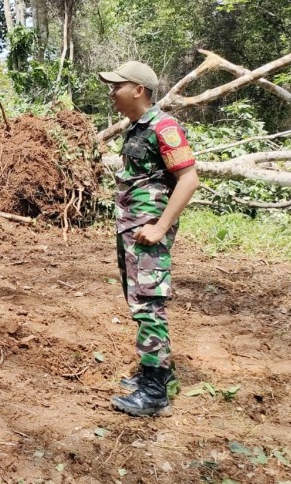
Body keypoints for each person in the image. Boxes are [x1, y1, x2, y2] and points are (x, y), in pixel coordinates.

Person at [99, 61, 199, 417]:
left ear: (138, 90)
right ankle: (155, 370)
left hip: (147, 232)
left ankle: (155, 392)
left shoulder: (164, 126)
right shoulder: (136, 128)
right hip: (131, 229)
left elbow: (188, 178)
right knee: (137, 299)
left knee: (148, 303)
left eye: (117, 86)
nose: (112, 93)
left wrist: (160, 227)